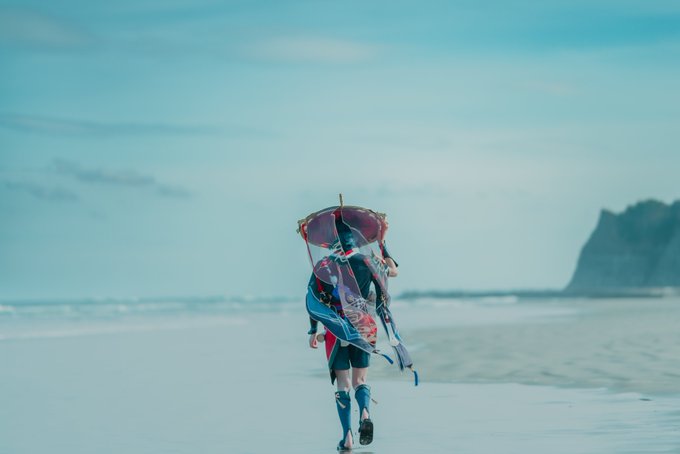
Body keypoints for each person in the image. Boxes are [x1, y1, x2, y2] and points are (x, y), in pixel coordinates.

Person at [307, 224, 397, 451]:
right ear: (355, 240)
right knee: (360, 381)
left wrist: (312, 330)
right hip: (363, 326)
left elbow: (313, 299)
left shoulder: (323, 265)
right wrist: (381, 242)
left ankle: (347, 437)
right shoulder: (368, 261)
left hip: (336, 329)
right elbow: (393, 271)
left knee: (343, 384)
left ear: (331, 241)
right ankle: (365, 413)